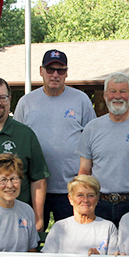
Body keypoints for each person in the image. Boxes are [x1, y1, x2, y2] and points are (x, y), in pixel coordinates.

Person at [14, 49, 96, 230]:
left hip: (71, 189)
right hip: (34, 187)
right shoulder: (26, 103)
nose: (55, 75)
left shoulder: (81, 100)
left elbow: (93, 140)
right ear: (41, 71)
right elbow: (17, 140)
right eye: (50, 70)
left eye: (61, 70)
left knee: (72, 240)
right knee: (32, 237)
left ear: (67, 73)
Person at [76, 73, 129, 226]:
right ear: (104, 95)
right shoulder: (92, 128)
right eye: (112, 91)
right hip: (99, 204)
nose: (117, 96)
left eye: (122, 91)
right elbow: (84, 171)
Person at [0, 76, 50, 231]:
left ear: (9, 99)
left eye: (2, 97)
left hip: (17, 220)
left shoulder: (25, 134)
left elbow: (38, 180)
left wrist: (38, 218)